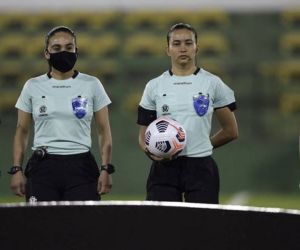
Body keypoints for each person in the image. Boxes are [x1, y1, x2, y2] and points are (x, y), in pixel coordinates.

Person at [9, 26, 115, 202]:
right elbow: (22, 130)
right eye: (57, 48)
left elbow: (104, 131)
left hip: (82, 167)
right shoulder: (32, 86)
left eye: (69, 48)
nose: (63, 52)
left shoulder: (92, 84)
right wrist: (16, 169)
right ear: (47, 53)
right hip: (43, 168)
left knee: (83, 226)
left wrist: (105, 169)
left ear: (76, 51)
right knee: (41, 226)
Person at [137, 23, 238, 204]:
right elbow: (143, 135)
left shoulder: (213, 83)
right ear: (167, 49)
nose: (183, 48)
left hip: (201, 166)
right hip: (164, 168)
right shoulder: (154, 86)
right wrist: (151, 152)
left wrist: (202, 146)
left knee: (202, 227)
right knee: (160, 224)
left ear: (196, 48)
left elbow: (231, 130)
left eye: (188, 43)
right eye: (176, 44)